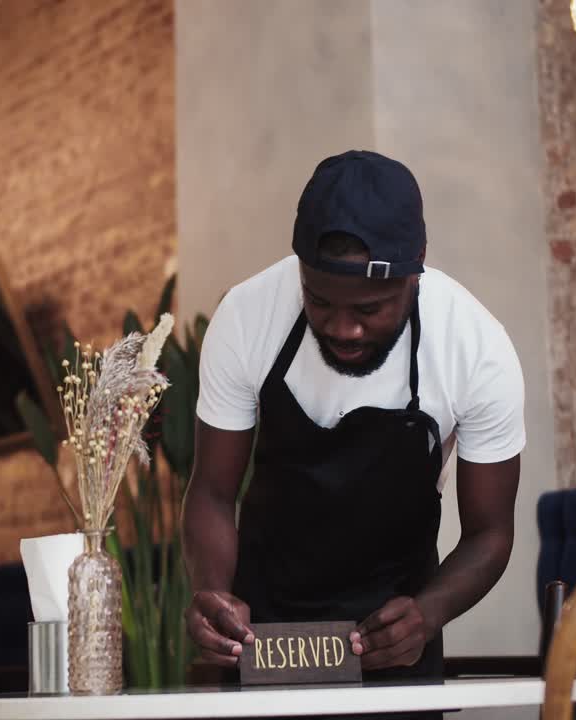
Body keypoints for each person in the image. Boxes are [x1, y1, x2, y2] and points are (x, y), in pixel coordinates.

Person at [181, 149, 525, 693]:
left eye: (369, 310)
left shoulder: (476, 349)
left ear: (418, 266)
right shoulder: (246, 318)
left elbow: (491, 534)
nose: (344, 329)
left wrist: (427, 614)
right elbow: (211, 493)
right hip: (264, 638)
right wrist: (213, 592)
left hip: (395, 641)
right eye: (319, 302)